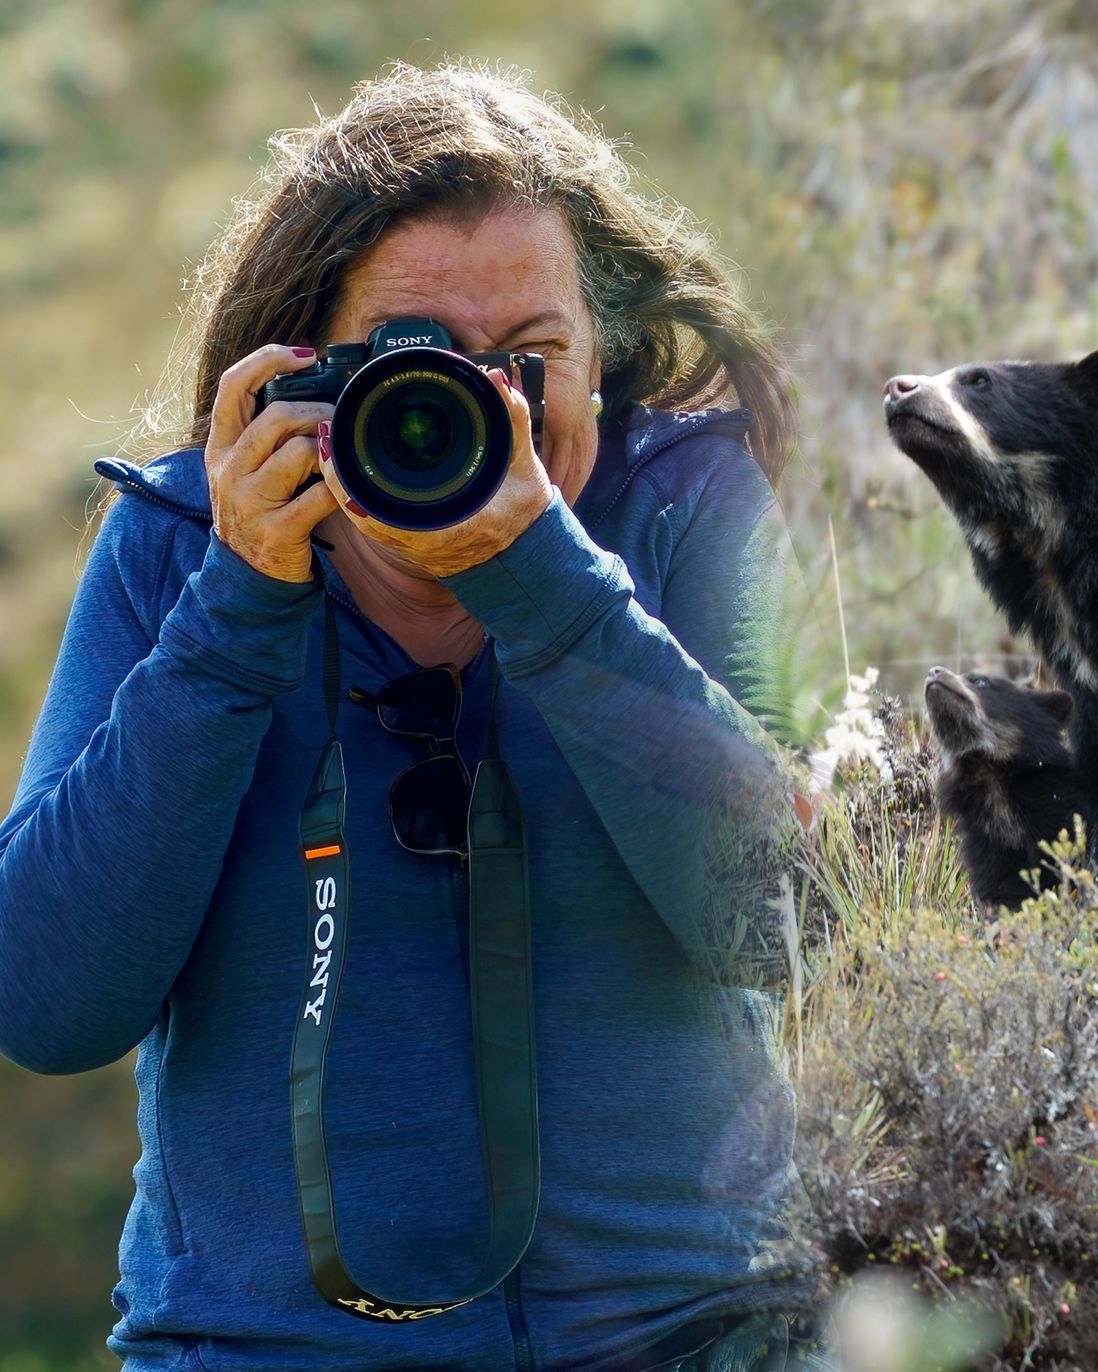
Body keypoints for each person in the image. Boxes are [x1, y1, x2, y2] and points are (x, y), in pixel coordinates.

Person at [0, 60, 832, 1371]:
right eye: (421, 360)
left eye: (530, 361)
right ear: (305, 366)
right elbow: (46, 1005)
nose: (482, 404)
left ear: (601, 360)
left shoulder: (682, 507)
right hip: (264, 1350)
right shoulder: (181, 547)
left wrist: (551, 591)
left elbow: (796, 925)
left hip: (691, 1332)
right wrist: (235, 617)